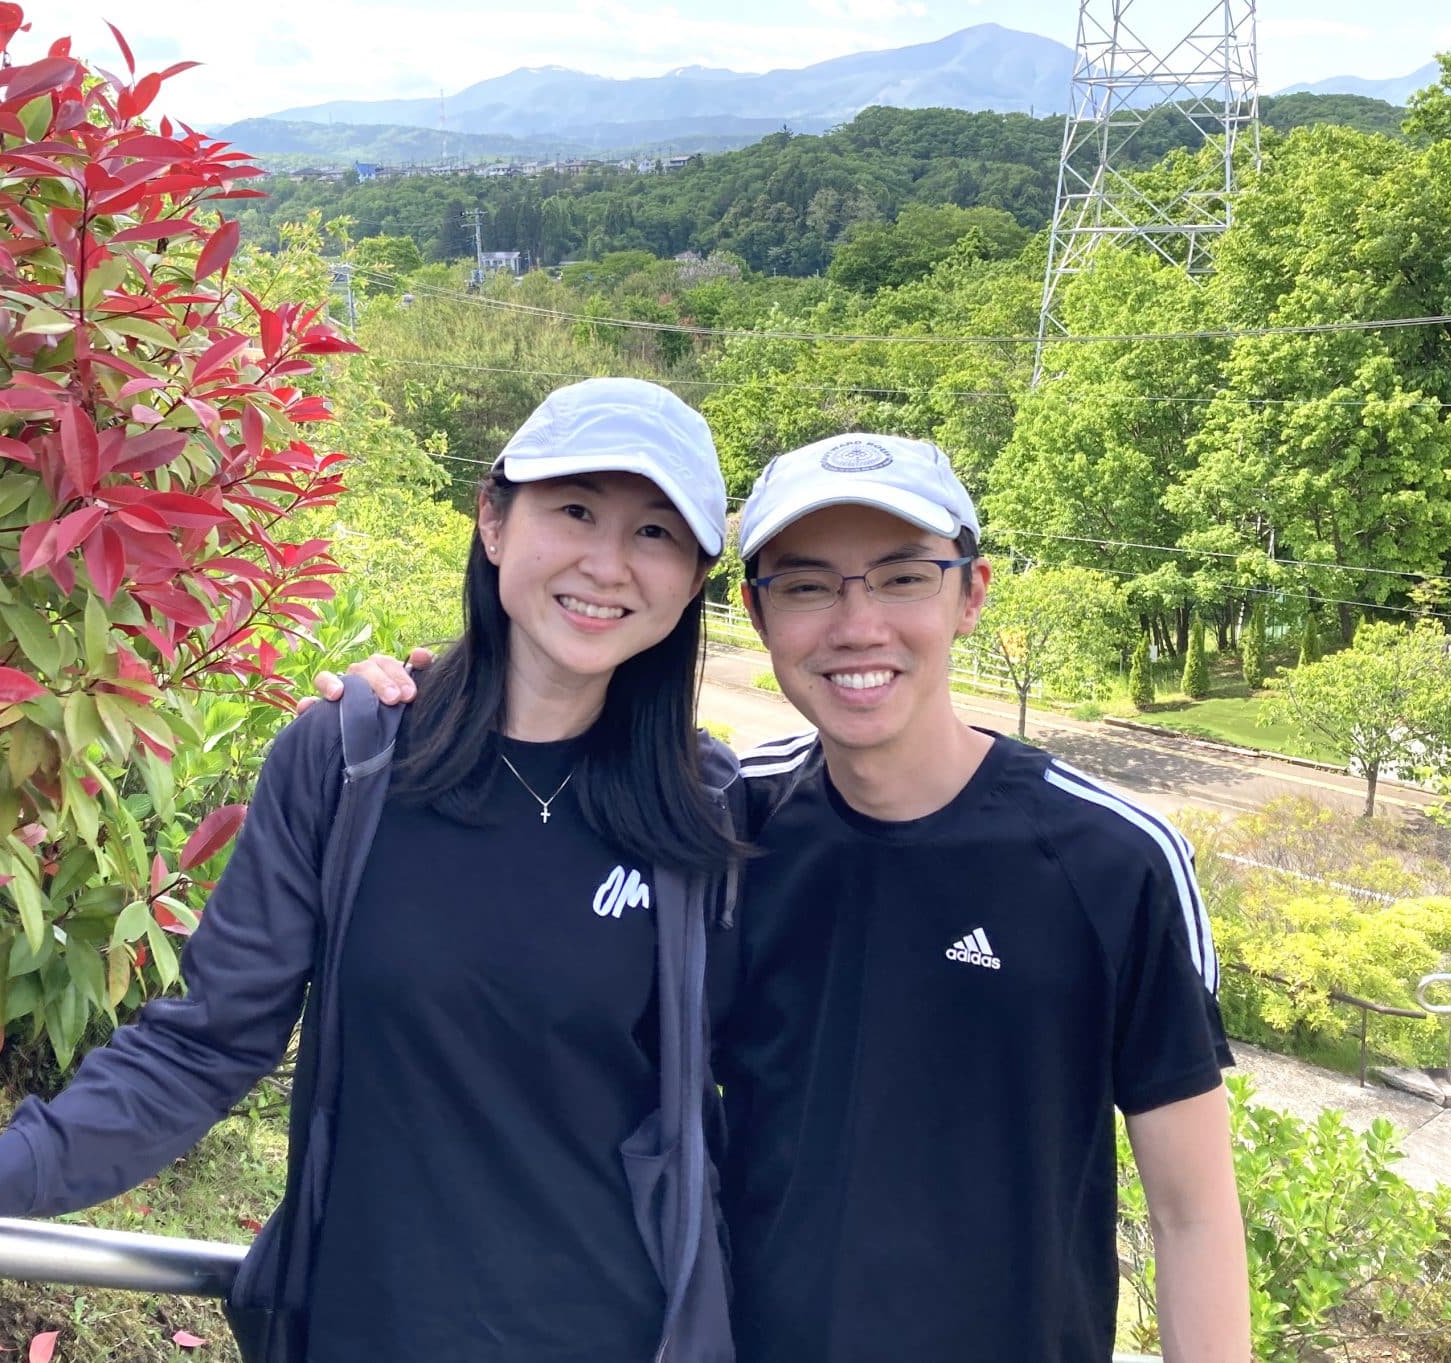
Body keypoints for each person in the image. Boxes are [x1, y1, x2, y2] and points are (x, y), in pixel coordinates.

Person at [0, 377, 746, 1363]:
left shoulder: (710, 811)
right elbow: (206, 1044)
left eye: (655, 532)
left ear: (694, 576)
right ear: (492, 520)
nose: (608, 562)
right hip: (365, 1319)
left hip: (618, 1326)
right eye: (574, 510)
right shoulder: (351, 763)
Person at [330, 432, 1250, 1363]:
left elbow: (1193, 1211)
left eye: (902, 577)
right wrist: (406, 708)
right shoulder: (725, 824)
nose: (857, 626)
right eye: (808, 585)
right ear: (759, 616)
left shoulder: (1114, 862)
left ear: (971, 592)